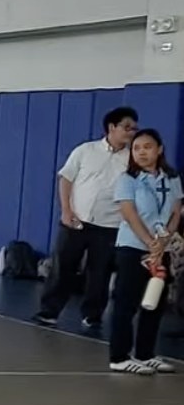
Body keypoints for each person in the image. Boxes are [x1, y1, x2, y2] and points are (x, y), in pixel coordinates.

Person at [34, 107, 137, 330]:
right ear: (112, 127)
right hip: (76, 220)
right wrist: (66, 210)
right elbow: (66, 179)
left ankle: (92, 315)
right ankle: (49, 311)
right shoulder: (86, 150)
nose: (131, 132)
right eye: (127, 127)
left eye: (134, 128)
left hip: (110, 224)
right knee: (63, 266)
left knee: (100, 272)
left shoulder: (132, 159)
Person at [107, 128, 181, 375]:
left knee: (155, 304)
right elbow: (129, 213)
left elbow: (175, 212)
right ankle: (119, 356)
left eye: (147, 147)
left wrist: (164, 242)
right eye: (137, 148)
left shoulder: (172, 178)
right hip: (133, 247)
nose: (141, 152)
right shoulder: (127, 179)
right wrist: (150, 242)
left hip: (161, 248)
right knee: (126, 304)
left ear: (159, 149)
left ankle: (145, 353)